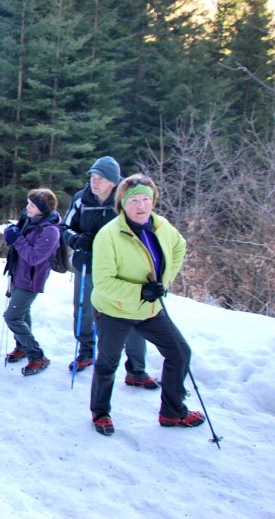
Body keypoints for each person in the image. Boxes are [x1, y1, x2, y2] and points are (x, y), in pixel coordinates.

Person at [89, 174, 202, 436]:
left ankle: (172, 412)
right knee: (108, 363)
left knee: (180, 353)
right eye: (134, 201)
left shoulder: (161, 226)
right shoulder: (109, 236)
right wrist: (141, 291)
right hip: (114, 310)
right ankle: (100, 411)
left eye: (146, 200)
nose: (141, 206)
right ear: (122, 205)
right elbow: (103, 282)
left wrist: (164, 281)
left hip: (150, 310)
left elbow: (179, 247)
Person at [61, 156, 154, 387]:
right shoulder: (82, 199)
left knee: (131, 313)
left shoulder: (126, 200)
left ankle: (136, 369)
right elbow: (64, 227)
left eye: (100, 179)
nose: (95, 182)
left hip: (121, 269)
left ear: (113, 182)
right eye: (93, 177)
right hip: (88, 264)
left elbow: (143, 228)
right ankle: (85, 351)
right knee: (83, 309)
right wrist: (77, 241)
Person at [2, 189, 61, 376]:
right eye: (28, 203)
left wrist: (17, 238)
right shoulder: (31, 220)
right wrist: (12, 232)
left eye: (32, 205)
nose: (27, 207)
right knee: (23, 313)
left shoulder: (50, 231)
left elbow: (34, 257)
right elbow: (18, 239)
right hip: (19, 274)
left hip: (31, 279)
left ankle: (37, 355)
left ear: (42, 209)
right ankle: (22, 346)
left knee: (12, 317)